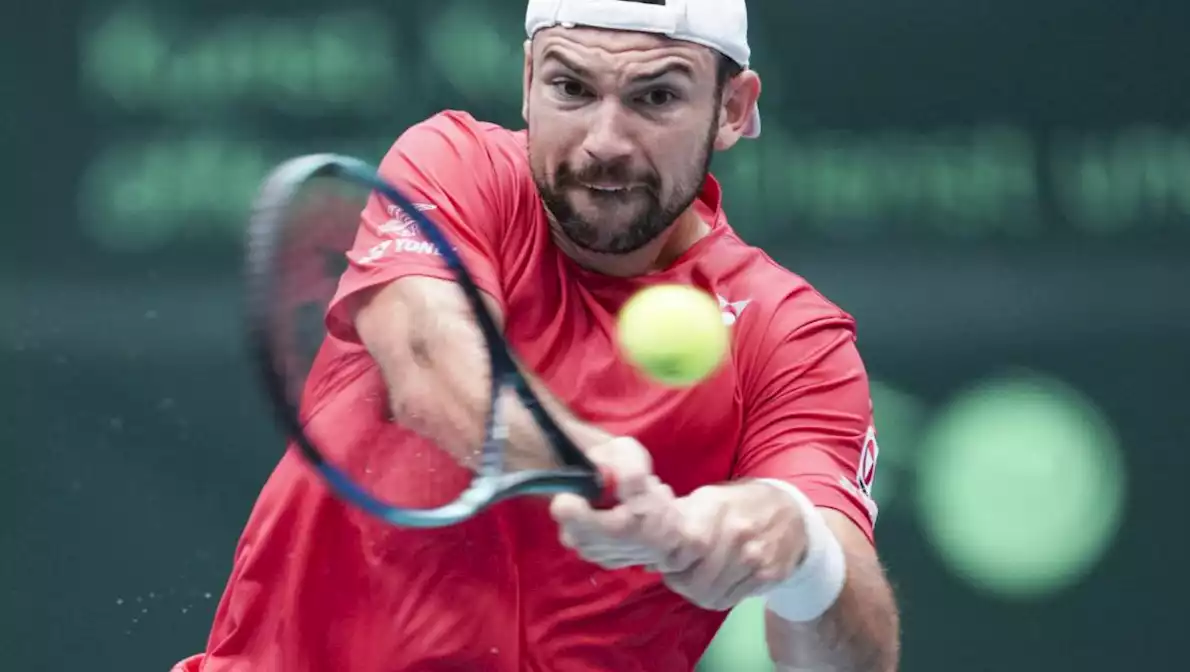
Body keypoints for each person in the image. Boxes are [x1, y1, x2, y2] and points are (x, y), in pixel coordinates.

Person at [175, 0, 899, 670]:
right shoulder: (457, 167)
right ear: (528, 82)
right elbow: (433, 364)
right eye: (572, 89)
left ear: (733, 109)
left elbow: (855, 657)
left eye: (656, 97)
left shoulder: (792, 337)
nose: (604, 142)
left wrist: (799, 549)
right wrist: (600, 466)